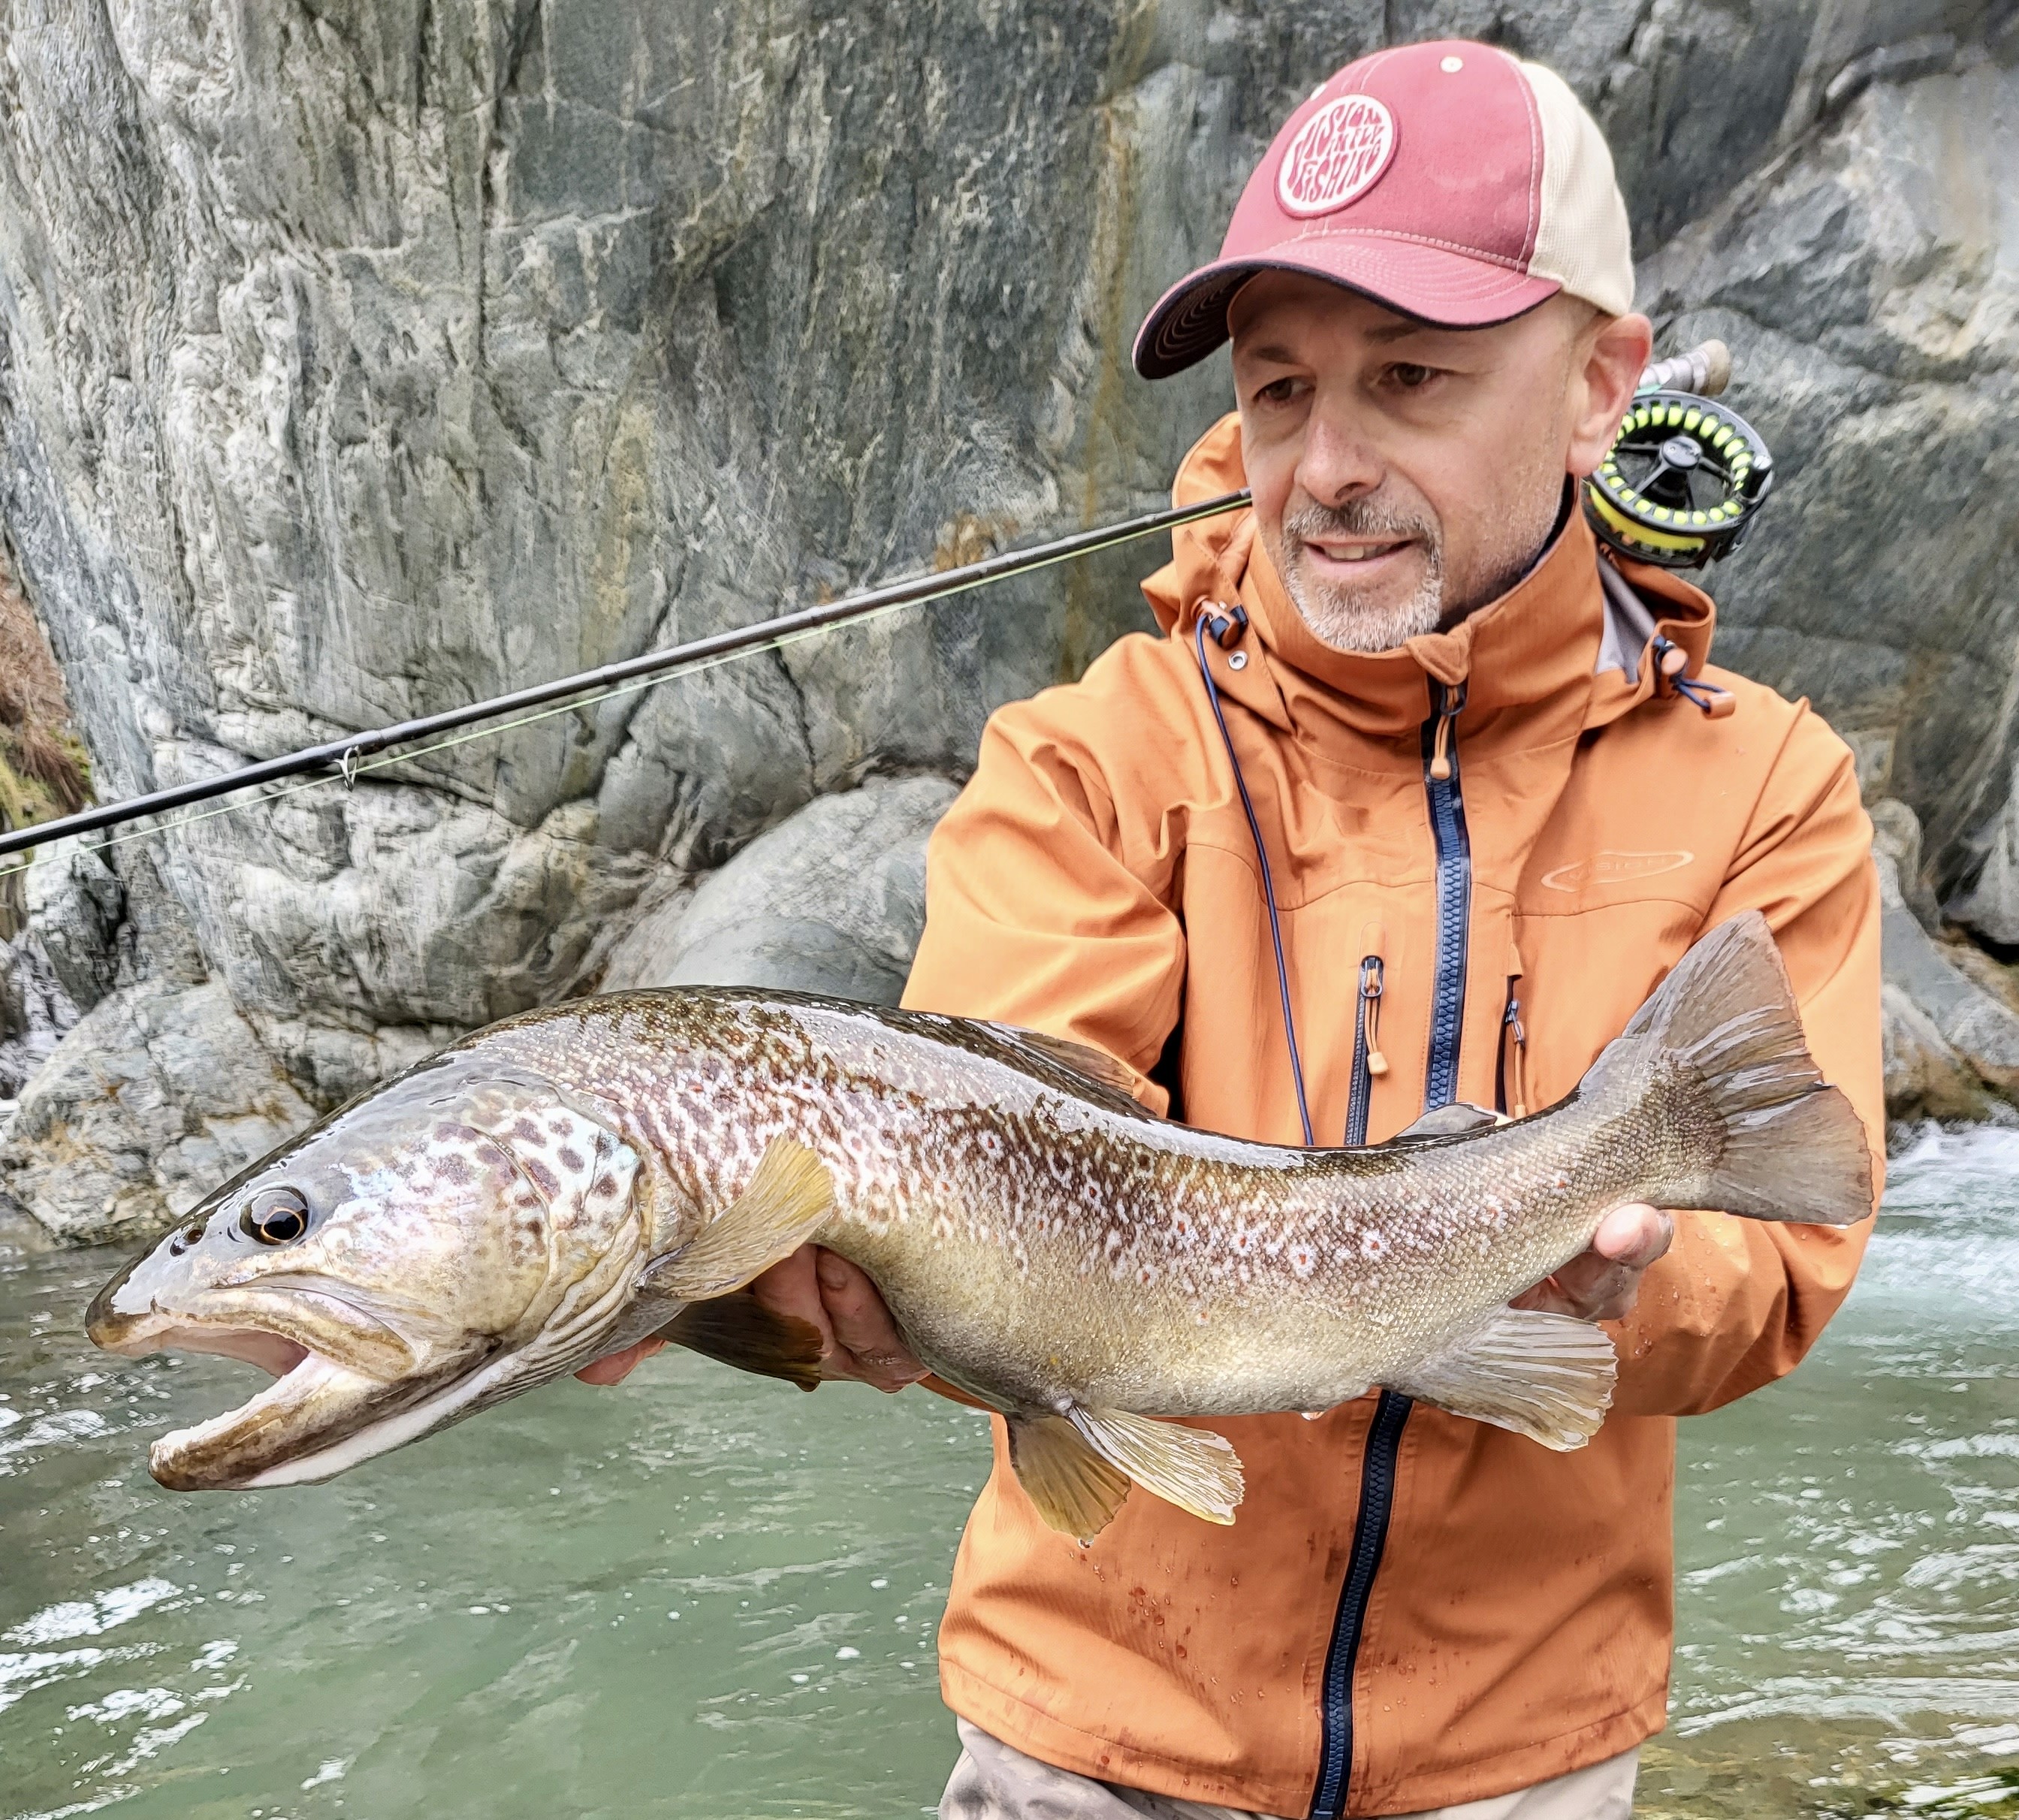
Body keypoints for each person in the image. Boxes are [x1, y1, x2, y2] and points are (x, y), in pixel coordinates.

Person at [584, 37, 1883, 1820]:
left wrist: (1619, 1280)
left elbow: (1788, 1263)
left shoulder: (1768, 789)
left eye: (1409, 379)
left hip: (1523, 1762)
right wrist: (807, 1303)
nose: (1326, 465)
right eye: (1280, 393)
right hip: (1091, 1751)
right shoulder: (1093, 758)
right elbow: (995, 1149)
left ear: (1600, 389)